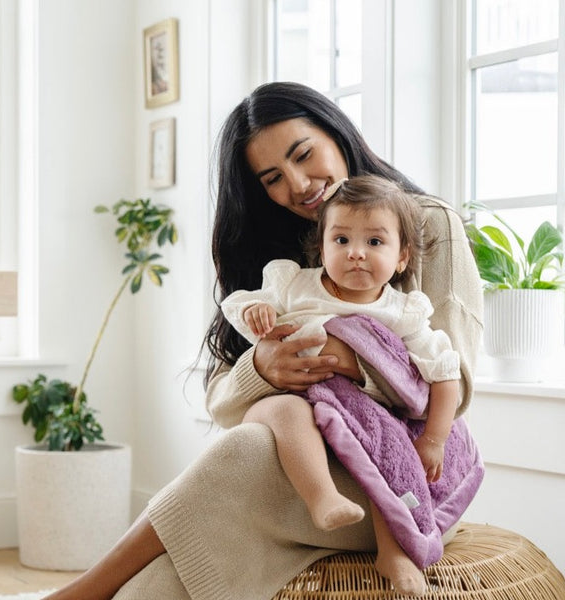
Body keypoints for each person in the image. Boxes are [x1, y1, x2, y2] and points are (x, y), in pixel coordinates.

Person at [45, 82, 482, 600]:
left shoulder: (427, 224)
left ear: (336, 133)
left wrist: (352, 360)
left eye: (304, 154)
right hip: (304, 465)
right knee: (154, 585)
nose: (298, 185)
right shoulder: (286, 256)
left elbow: (453, 380)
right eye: (273, 178)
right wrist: (264, 368)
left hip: (401, 480)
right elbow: (222, 400)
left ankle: (84, 589)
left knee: (246, 452)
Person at [220, 174, 461, 593]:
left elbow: (444, 371)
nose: (356, 254)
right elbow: (237, 303)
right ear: (322, 247)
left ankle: (395, 552)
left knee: (388, 452)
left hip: (361, 415)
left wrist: (436, 438)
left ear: (402, 257)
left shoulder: (402, 313)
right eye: (342, 240)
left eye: (374, 242)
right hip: (295, 403)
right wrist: (255, 310)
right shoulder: (295, 286)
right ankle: (323, 498)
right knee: (282, 411)